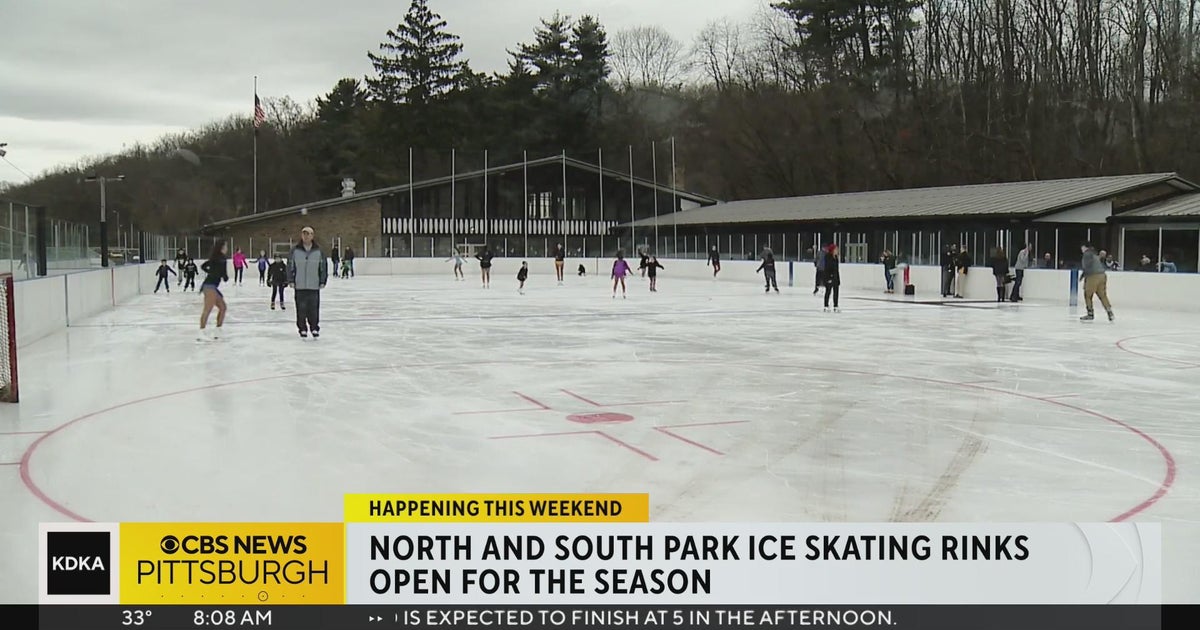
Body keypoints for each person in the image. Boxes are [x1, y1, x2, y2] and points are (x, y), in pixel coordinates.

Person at [288, 226, 328, 339]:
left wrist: (322, 280)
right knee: (301, 309)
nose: (306, 236)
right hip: (299, 285)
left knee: (313, 309)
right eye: (304, 234)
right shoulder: (295, 250)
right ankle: (302, 328)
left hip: (314, 285)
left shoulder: (319, 250)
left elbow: (323, 267)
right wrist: (291, 280)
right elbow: (290, 266)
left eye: (308, 234)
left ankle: (314, 327)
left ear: (312, 236)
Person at [198, 241, 229, 341]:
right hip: (209, 286)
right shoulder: (220, 259)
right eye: (225, 246)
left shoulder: (217, 258)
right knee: (208, 309)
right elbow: (223, 274)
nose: (226, 248)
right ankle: (201, 332)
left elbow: (204, 266)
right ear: (221, 248)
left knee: (223, 307)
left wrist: (215, 273)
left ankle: (217, 331)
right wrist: (221, 275)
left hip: (212, 286)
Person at [1080, 242, 1114, 322]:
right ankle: (1109, 312)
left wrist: (1083, 275)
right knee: (1102, 295)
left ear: (1085, 247)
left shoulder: (1087, 254)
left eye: (1082, 247)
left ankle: (1090, 313)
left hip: (1093, 276)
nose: (1081, 249)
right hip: (1102, 275)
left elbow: (1087, 266)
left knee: (1088, 295)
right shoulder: (1094, 253)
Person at [822, 244, 841, 312]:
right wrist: (828, 278)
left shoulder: (836, 258)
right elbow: (827, 268)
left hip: (835, 278)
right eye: (836, 249)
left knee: (836, 292)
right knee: (828, 292)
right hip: (829, 277)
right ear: (832, 250)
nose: (837, 251)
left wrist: (838, 279)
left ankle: (835, 306)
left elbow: (836, 269)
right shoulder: (828, 257)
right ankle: (826, 306)